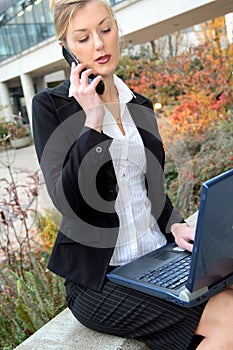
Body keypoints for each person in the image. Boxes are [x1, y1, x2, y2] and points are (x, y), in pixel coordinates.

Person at [32, 1, 233, 349]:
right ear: (65, 47)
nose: (99, 44)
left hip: (157, 256)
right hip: (103, 279)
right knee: (228, 314)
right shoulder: (51, 106)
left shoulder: (138, 104)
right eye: (83, 37)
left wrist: (174, 223)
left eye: (106, 30)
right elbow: (68, 201)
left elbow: (151, 187)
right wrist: (92, 121)